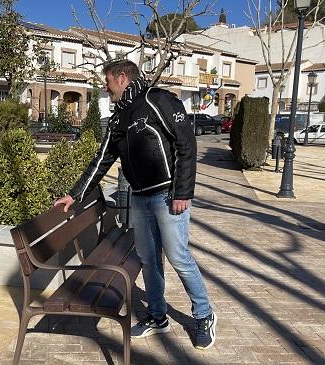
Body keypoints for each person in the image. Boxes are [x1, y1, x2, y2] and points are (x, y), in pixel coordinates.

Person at [54, 60, 217, 349]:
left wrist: (183, 192)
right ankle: (157, 315)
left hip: (168, 195)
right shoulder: (119, 117)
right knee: (149, 260)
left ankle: (203, 315)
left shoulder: (157, 100)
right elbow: (102, 159)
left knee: (178, 257)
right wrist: (75, 194)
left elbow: (186, 145)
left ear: (122, 77)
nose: (105, 87)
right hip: (140, 200)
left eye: (108, 81)